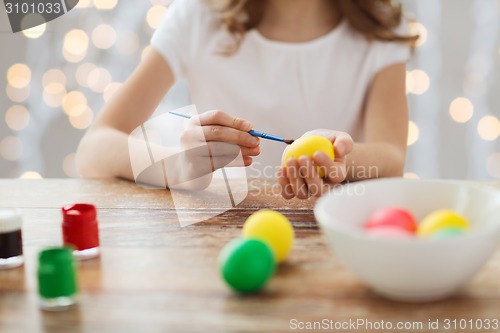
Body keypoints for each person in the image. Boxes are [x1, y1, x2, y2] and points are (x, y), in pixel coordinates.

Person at [76, 0, 416, 199]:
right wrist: (180, 165)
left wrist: (340, 158)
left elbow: (391, 157)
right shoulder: (198, 15)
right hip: (221, 236)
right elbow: (94, 149)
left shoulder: (381, 27)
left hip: (337, 235)